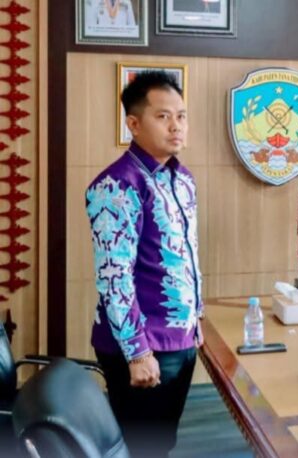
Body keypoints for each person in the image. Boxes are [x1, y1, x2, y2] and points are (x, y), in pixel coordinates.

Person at [86, 71, 203, 457]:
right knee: (142, 447)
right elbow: (114, 278)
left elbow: (186, 256)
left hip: (180, 337)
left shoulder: (182, 179)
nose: (176, 126)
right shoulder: (117, 186)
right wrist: (137, 352)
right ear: (134, 124)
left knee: (162, 441)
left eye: (181, 116)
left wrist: (196, 318)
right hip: (142, 345)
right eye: (163, 116)